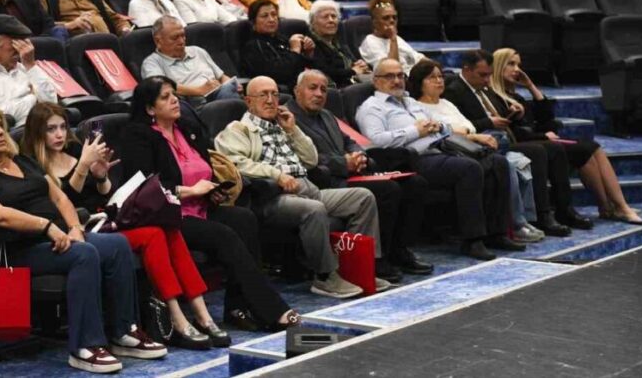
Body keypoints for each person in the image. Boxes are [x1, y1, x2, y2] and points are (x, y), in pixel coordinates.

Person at [0, 105, 166, 373]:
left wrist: (74, 228)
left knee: (117, 245)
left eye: (0, 126)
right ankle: (85, 347)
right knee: (83, 255)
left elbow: (60, 197)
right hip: (19, 248)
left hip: (60, 237)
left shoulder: (23, 162)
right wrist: (46, 227)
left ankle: (124, 332)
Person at [20, 102, 229, 350]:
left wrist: (101, 177)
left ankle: (201, 312)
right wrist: (83, 167)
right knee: (153, 235)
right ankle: (176, 316)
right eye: (50, 129)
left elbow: (103, 198)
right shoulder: (33, 165)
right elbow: (63, 206)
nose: (59, 134)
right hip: (80, 231)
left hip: (106, 221)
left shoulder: (76, 152)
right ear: (36, 132)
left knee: (168, 229)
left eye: (63, 127)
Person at [119, 76, 301, 330]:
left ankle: (236, 306)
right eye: (165, 97)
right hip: (167, 215)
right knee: (223, 234)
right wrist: (191, 190)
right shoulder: (137, 136)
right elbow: (144, 187)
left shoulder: (186, 128)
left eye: (175, 94)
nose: (174, 100)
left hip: (200, 207)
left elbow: (205, 169)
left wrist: (212, 190)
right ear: (150, 108)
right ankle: (273, 309)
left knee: (244, 219)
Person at [215, 75, 388, 295]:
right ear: (248, 101)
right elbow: (236, 162)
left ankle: (358, 269)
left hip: (307, 188)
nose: (270, 100)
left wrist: (293, 130)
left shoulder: (282, 125)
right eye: (263, 95)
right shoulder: (238, 130)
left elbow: (311, 160)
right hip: (272, 197)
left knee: (362, 198)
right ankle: (325, 277)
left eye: (275, 94)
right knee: (313, 209)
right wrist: (276, 175)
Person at [356, 58, 521, 260]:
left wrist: (439, 127)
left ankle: (497, 232)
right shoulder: (372, 107)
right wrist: (415, 131)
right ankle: (472, 240)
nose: (397, 80)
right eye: (390, 76)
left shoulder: (411, 102)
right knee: (468, 168)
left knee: (498, 163)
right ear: (376, 81)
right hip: (412, 158)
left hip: (442, 148)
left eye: (400, 75)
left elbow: (443, 126)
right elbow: (375, 141)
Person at [293, 69, 432, 276]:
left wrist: (359, 156)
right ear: (297, 91)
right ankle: (378, 258)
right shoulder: (289, 118)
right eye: (312, 88)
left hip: (350, 172)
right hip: (325, 181)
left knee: (416, 184)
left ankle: (400, 249)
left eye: (323, 89)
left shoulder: (326, 114)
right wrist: (343, 163)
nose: (319, 94)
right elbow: (303, 158)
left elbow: (350, 140)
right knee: (387, 190)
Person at [490, 48, 642, 226]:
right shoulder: (495, 97)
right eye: (511, 64)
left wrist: (532, 87)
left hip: (542, 141)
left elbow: (547, 120)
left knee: (593, 148)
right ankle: (615, 207)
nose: (517, 69)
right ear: (499, 66)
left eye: (519, 65)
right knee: (586, 149)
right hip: (530, 145)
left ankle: (612, 207)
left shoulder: (515, 96)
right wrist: (543, 135)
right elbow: (514, 132)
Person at [440, 49, 578, 237]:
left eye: (489, 75)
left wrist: (511, 114)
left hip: (503, 137)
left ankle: (563, 210)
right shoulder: (454, 90)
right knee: (538, 151)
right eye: (482, 75)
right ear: (467, 69)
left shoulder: (483, 88)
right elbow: (461, 126)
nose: (487, 80)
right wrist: (490, 123)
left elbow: (510, 120)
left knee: (553, 148)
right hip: (483, 142)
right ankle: (541, 215)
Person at [407, 59, 545, 244]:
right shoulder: (418, 107)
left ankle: (514, 225)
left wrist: (471, 134)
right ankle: (516, 224)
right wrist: (473, 136)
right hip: (455, 148)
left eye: (440, 76)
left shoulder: (447, 103)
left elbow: (467, 126)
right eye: (432, 78)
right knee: (508, 162)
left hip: (475, 143)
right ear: (419, 82)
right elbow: (444, 133)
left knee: (515, 160)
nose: (439, 81)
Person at [0, 15, 57, 124]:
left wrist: (31, 65)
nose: (21, 50)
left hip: (44, 129)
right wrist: (33, 99)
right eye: (15, 43)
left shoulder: (25, 68)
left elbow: (52, 104)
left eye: (24, 43)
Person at [142, 16, 240, 105]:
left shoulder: (197, 51)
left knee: (251, 87)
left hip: (219, 94)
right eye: (174, 38)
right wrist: (199, 90)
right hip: (193, 105)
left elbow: (222, 77)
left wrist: (231, 84)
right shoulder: (152, 63)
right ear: (158, 41)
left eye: (183, 35)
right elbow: (161, 88)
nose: (181, 41)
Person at [241, 0, 316, 86]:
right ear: (253, 22)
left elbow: (301, 67)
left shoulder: (282, 40)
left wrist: (308, 53)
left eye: (274, 14)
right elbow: (282, 74)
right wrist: (295, 50)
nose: (271, 19)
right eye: (265, 16)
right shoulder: (253, 47)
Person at [307, 0, 370, 86]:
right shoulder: (310, 44)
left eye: (334, 16)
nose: (331, 20)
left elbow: (352, 61)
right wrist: (353, 71)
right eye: (325, 17)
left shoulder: (338, 42)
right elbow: (324, 72)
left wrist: (361, 65)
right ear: (313, 22)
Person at [359, 0, 425, 73]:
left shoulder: (398, 39)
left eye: (394, 17)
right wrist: (393, 39)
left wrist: (435, 67)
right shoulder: (370, 42)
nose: (392, 21)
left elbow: (419, 58)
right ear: (375, 22)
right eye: (386, 18)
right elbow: (392, 70)